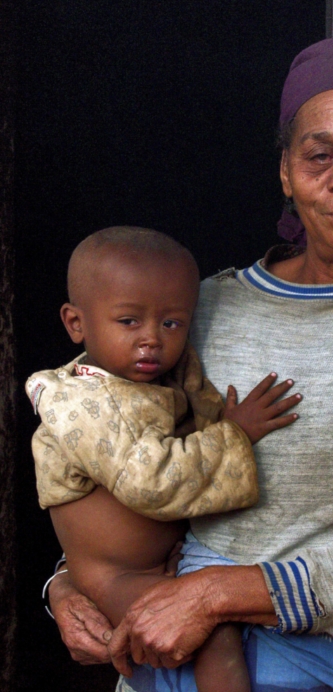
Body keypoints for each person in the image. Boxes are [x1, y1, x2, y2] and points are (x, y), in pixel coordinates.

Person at [47, 38, 333, 692]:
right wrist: (72, 583)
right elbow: (111, 459)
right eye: (320, 155)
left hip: (324, 675)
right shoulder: (190, 312)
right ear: (287, 173)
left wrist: (215, 595)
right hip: (158, 664)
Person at [29, 226, 301, 692]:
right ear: (76, 323)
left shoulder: (155, 380)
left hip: (164, 564)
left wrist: (215, 415)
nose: (151, 339)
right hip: (113, 580)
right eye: (128, 321)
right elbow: (148, 481)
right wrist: (236, 434)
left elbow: (196, 407)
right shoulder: (83, 403)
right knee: (214, 634)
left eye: (172, 324)